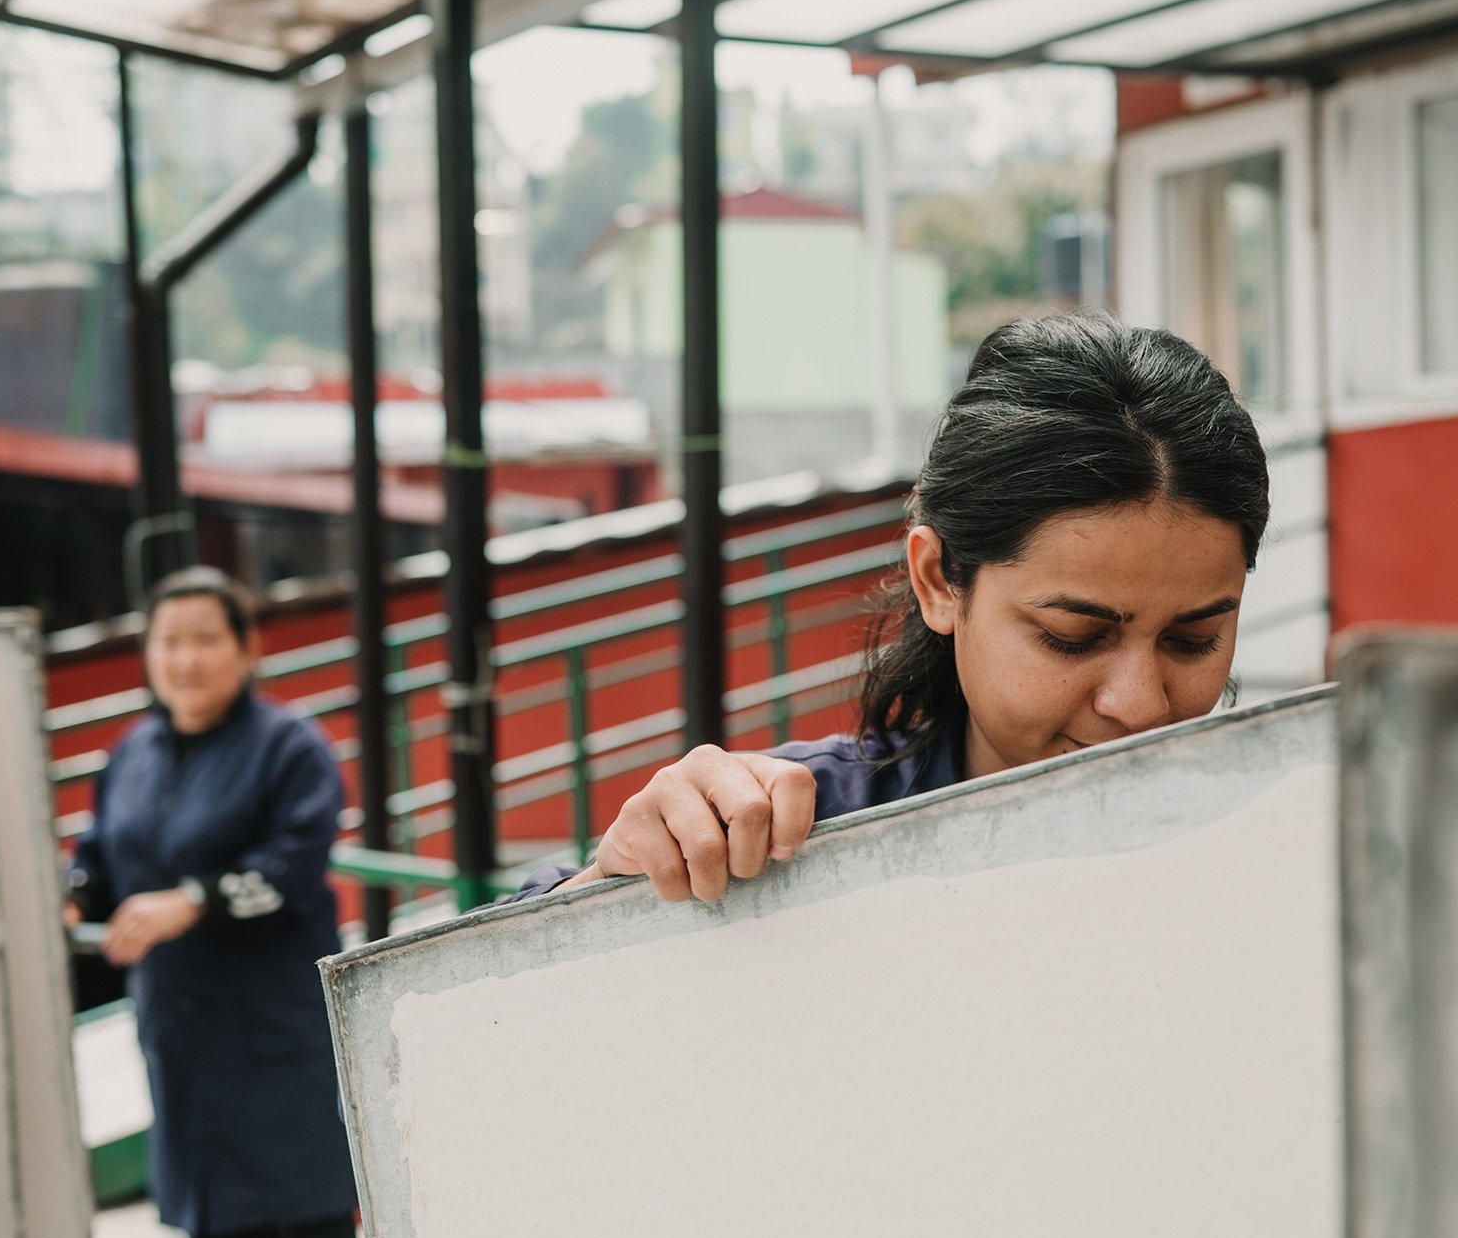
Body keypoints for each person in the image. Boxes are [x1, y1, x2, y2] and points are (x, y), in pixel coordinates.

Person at [515, 311, 1270, 903]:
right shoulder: (797, 838)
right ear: (939, 580)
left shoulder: (1298, 820)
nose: (1138, 706)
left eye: (1193, 639)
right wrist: (616, 884)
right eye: (1071, 637)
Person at [66, 567, 377, 1238]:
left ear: (247, 650)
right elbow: (97, 859)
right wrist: (74, 894)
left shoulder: (290, 749)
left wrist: (189, 902)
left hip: (273, 1021)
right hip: (180, 1029)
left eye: (206, 639)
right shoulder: (132, 752)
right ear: (148, 653)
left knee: (303, 1218)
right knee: (211, 1215)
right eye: (169, 641)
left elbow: (291, 868)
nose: (186, 659)